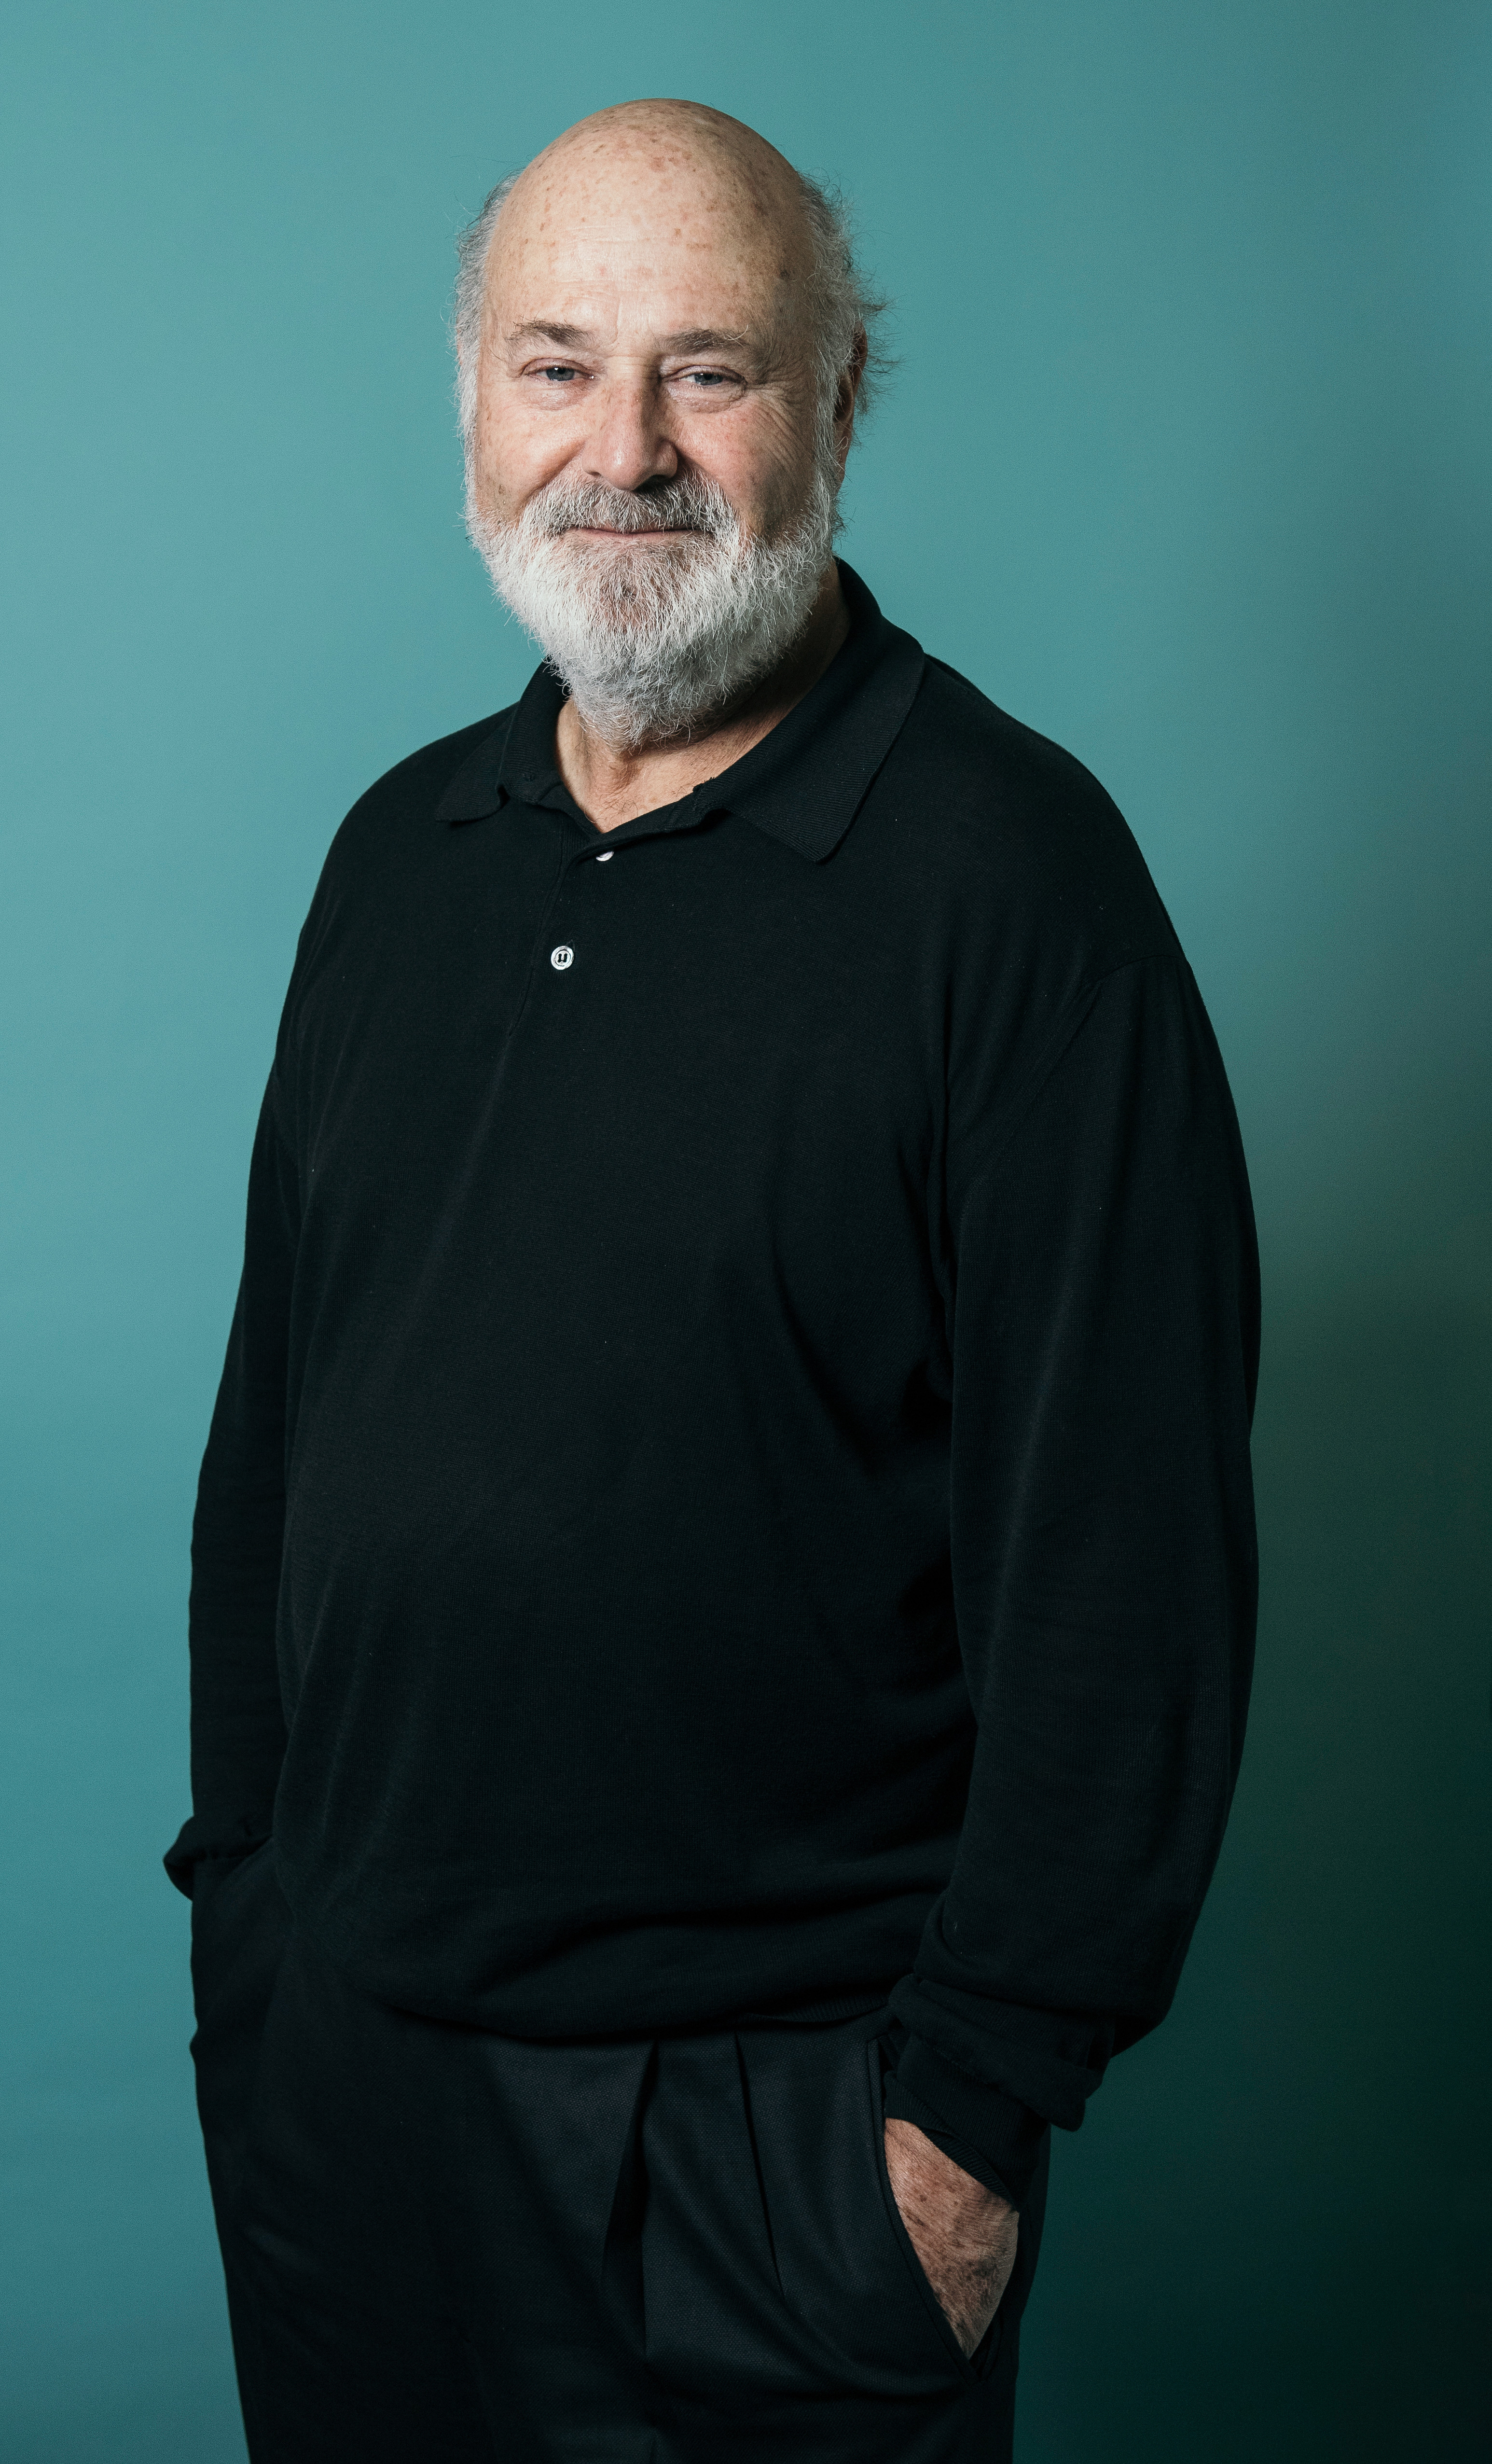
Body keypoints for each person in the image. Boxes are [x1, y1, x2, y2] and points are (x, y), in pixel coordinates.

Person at [166, 96, 1259, 2464]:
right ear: (471, 401)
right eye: (556, 366)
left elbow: (1125, 1565)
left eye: (711, 372)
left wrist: (964, 2121)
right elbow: (276, 1437)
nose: (624, 448)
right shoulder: (397, 856)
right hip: (346, 2101)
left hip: (771, 2150)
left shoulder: (1015, 887)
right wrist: (238, 1915)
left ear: (837, 404)